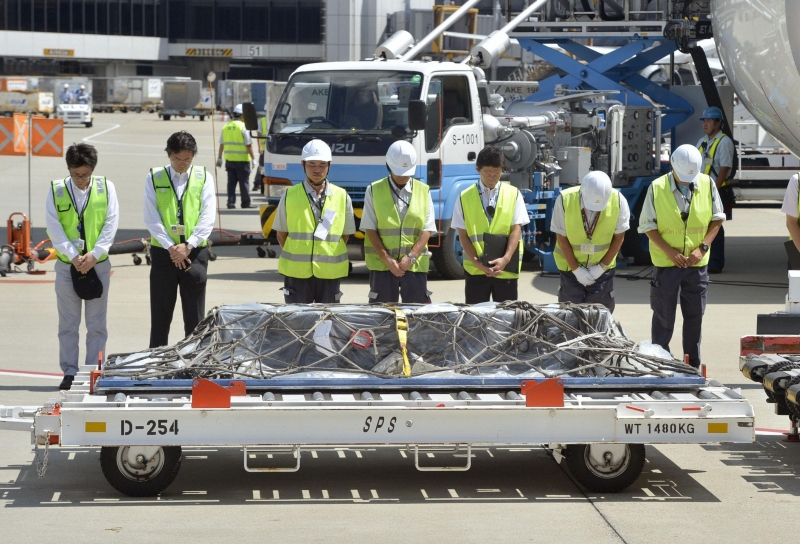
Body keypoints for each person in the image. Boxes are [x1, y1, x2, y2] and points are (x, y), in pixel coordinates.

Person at [638, 144, 725, 368]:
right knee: (663, 317)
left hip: (697, 265)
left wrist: (703, 248)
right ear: (673, 167)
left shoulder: (706, 184)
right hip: (667, 265)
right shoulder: (657, 188)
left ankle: (692, 365)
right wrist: (670, 251)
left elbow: (717, 219)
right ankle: (660, 363)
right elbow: (647, 225)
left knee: (695, 317)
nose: (687, 180)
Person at [45, 143, 119, 390]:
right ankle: (69, 371)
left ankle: (92, 372)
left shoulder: (106, 187)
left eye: (85, 175)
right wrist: (73, 255)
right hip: (68, 266)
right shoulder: (57, 190)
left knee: (97, 323)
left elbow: (110, 223)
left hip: (97, 264)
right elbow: (54, 227)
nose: (81, 180)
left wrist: (95, 254)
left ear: (92, 170)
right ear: (68, 169)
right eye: (76, 175)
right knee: (68, 323)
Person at [144, 131, 216, 348]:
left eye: (187, 159)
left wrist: (189, 245)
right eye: (177, 159)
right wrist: (171, 247)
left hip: (194, 254)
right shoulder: (155, 177)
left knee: (194, 316)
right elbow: (151, 216)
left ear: (193, 156)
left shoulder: (204, 177)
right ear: (168, 155)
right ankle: (156, 359)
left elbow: (207, 215)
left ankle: (193, 361)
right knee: (160, 314)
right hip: (164, 254)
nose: (182, 164)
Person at [274, 139, 355, 303]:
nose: (317, 169)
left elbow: (345, 235)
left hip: (329, 273)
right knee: (299, 322)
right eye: (311, 164)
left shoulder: (342, 196)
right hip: (297, 273)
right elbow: (281, 234)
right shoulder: (290, 196)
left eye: (322, 164)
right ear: (303, 164)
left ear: (329, 165)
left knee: (327, 322)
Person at [362, 140, 436, 303]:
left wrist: (411, 257)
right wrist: (388, 260)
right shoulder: (373, 190)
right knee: (382, 317)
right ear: (388, 166)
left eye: (406, 172)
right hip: (382, 267)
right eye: (398, 172)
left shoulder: (424, 190)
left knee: (418, 317)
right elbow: (370, 229)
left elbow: (428, 229)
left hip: (414, 266)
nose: (402, 176)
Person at [453, 146, 529, 304]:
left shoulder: (514, 194)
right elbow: (463, 235)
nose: (492, 177)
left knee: (506, 320)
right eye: (487, 173)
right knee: (475, 320)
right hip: (476, 271)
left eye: (497, 173)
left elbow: (516, 230)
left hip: (505, 270)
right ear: (477, 169)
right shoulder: (464, 197)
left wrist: (505, 259)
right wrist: (477, 263)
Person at [551, 171, 630, 312]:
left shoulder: (618, 200)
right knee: (570, 317)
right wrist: (576, 270)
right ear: (582, 192)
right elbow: (561, 238)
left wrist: (601, 268)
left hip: (602, 271)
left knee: (599, 317)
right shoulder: (564, 200)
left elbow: (619, 238)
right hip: (570, 270)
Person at [696, 106, 734, 273]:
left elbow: (724, 169)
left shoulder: (724, 142)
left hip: (716, 190)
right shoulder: (703, 141)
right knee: (703, 225)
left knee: (715, 226)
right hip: (702, 190)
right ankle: (706, 259)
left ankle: (716, 263)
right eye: (704, 120)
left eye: (709, 121)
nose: (705, 124)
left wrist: (714, 191)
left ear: (718, 124)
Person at [216, 103, 256, 209]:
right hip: (242, 161)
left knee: (231, 183)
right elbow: (248, 145)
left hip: (229, 161)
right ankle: (245, 203)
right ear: (242, 115)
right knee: (244, 184)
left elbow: (222, 144)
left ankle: (230, 203)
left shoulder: (226, 126)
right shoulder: (243, 127)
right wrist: (254, 159)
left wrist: (219, 158)